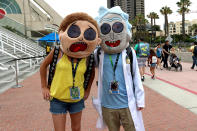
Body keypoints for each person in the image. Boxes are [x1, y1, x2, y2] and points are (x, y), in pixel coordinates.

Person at [40, 12, 101, 131]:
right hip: (57, 99)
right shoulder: (58, 51)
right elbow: (43, 66)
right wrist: (44, 87)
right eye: (74, 31)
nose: (81, 37)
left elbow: (92, 73)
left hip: (77, 99)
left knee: (76, 128)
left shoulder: (87, 57)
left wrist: (87, 90)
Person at [93, 6, 145, 131]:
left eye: (117, 27)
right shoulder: (99, 53)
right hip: (107, 105)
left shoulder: (129, 52)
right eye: (105, 29)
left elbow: (136, 76)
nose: (112, 33)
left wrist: (140, 100)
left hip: (126, 104)